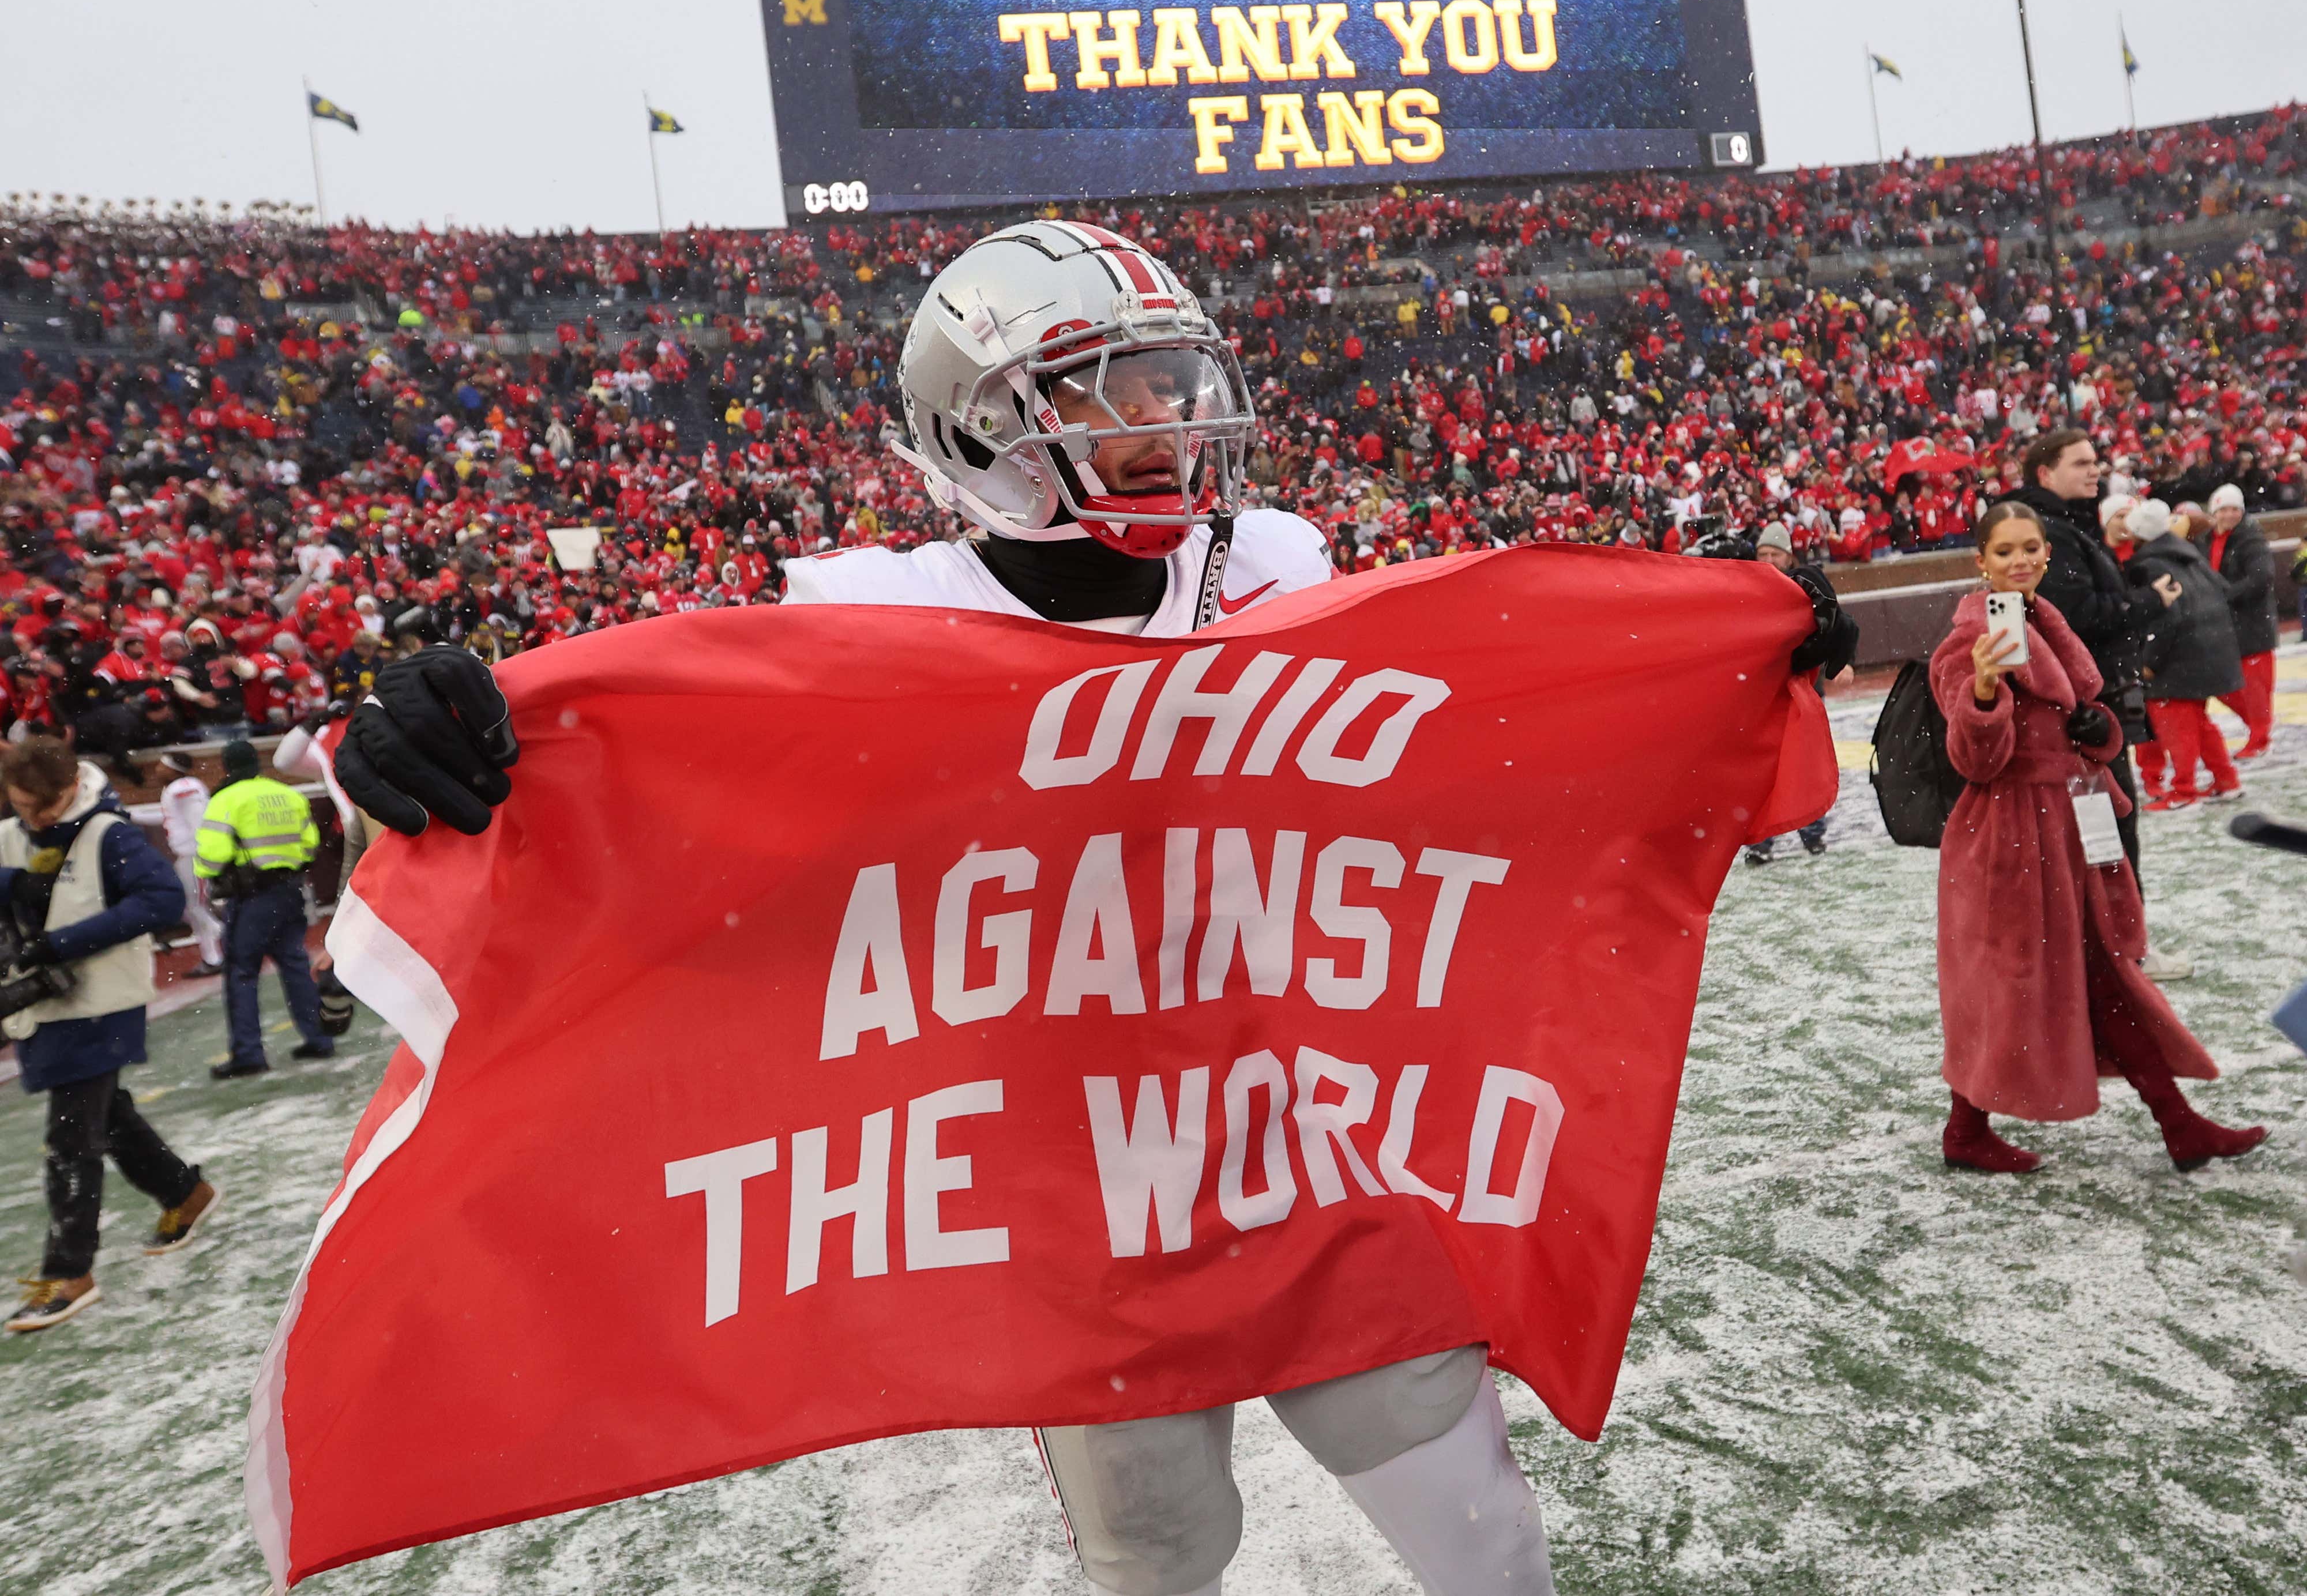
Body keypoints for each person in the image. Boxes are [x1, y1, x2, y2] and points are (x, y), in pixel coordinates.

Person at [333, 221, 1855, 1596]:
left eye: (1170, 377)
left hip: (1300, 1128)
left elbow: (1484, 727)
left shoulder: (1279, 572)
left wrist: (1721, 646)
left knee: (1481, 1534)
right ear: (975, 428)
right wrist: (446, 729)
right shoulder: (872, 620)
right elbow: (653, 766)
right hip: (1069, 1183)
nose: (1161, 418)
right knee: (1157, 1557)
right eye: (1106, 387)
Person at [1929, 503, 2265, 1176]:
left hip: (2068, 828)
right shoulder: (1970, 641)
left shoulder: (2044, 624)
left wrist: (2096, 730)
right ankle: (1968, 1130)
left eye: (2030, 549)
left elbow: (2077, 723)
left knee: (2097, 977)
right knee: (2012, 985)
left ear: (2045, 555)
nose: (2020, 561)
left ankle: (2176, 1124)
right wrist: (1985, 691)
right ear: (1981, 562)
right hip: (2009, 839)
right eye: (2004, 552)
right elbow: (1974, 761)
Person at [2, 736, 220, 1332]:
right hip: (42, 1005)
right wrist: (14, 892)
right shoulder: (11, 835)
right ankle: (186, 1193)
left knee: (71, 1137)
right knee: (109, 1117)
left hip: (102, 1005)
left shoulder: (110, 834)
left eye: (44, 807)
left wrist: (63, 943)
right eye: (20, 805)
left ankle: (70, 1273)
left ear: (72, 787)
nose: (33, 818)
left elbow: (163, 900)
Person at [2013, 430, 2189, 977]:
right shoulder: (2053, 532)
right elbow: (2080, 615)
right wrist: (2148, 600)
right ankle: (2123, 950)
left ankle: (2107, 947)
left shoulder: (2063, 525)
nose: (2095, 470)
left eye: (2096, 461)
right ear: (2046, 473)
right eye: (2081, 463)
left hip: (2084, 705)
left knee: (2098, 829)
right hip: (2085, 710)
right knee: (2106, 828)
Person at [195, 737, 327, 1078]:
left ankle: (248, 1054)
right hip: (290, 891)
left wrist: (209, 874)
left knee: (242, 972)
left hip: (252, 897)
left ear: (227, 766)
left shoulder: (226, 799)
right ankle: (318, 1037)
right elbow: (310, 844)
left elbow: (213, 856)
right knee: (295, 963)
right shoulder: (289, 795)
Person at [2121, 500, 2244, 810]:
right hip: (2205, 651)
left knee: (2177, 727)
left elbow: (2168, 618)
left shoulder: (2149, 565)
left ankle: (2184, 790)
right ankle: (2226, 780)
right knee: (2199, 723)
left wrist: (2150, 661)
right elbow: (2224, 592)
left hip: (2177, 660)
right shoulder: (2189, 555)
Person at [1741, 522, 1849, 865]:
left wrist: (1841, 661)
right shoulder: (1749, 590)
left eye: (1775, 554)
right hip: (1764, 695)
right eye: (1763, 554)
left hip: (1801, 691)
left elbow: (1837, 624)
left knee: (1803, 765)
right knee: (1765, 772)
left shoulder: (1806, 587)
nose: (1768, 560)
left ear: (1788, 557)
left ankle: (1812, 833)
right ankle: (1763, 841)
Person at [2201, 483, 2276, 759]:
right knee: (2222, 684)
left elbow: (2261, 577)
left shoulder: (2250, 539)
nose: (2229, 515)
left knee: (2256, 689)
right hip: (2221, 626)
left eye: (2235, 509)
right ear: (2214, 512)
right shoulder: (2205, 541)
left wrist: (2226, 596)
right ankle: (2259, 727)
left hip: (2252, 626)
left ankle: (2260, 737)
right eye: (2224, 509)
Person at [156, 750, 224, 979]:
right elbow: (169, 817)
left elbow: (199, 822)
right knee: (188, 907)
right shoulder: (176, 789)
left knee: (196, 908)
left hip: (195, 856)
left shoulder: (184, 788)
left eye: (162, 765)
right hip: (187, 856)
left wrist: (205, 854)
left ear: (173, 769)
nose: (158, 769)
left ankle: (215, 953)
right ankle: (216, 942)